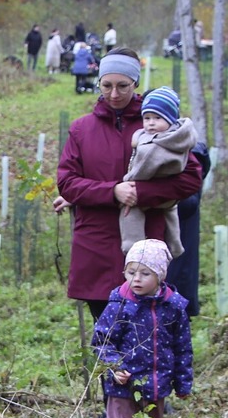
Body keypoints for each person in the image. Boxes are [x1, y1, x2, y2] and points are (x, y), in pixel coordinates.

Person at [55, 46, 202, 322]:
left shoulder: (158, 124)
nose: (114, 94)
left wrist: (142, 193)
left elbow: (190, 177)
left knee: (147, 334)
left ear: (135, 84)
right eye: (107, 85)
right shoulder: (81, 130)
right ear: (98, 83)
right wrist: (112, 192)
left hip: (147, 242)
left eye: (122, 85)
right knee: (107, 336)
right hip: (95, 245)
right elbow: (67, 182)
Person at [91, 240, 193, 418]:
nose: (136, 279)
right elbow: (102, 342)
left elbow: (182, 347)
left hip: (157, 384)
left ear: (160, 275)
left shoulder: (174, 307)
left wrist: (182, 382)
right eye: (131, 272)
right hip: (124, 384)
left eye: (145, 273)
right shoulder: (120, 304)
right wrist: (114, 367)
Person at [119, 86, 198, 257]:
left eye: (157, 118)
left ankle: (132, 247)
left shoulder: (153, 146)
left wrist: (128, 184)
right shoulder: (179, 137)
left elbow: (141, 170)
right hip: (168, 195)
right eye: (147, 118)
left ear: (170, 119)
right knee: (171, 213)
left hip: (147, 188)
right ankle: (176, 247)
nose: (151, 123)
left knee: (131, 215)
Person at [167, 142, 212, 317]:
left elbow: (188, 203)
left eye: (156, 118)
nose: (151, 123)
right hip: (143, 268)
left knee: (173, 316)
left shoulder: (191, 152)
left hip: (177, 255)